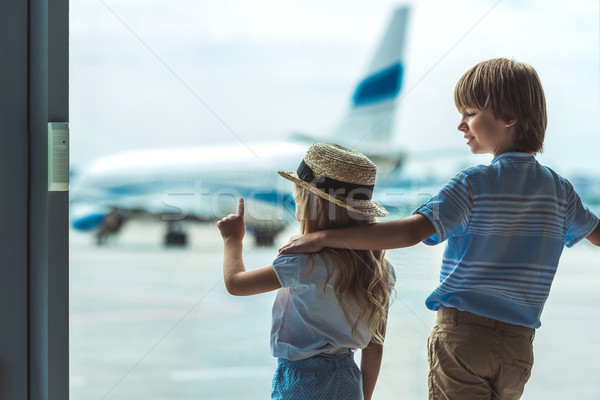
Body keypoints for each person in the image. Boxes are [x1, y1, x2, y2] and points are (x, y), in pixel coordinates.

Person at [278, 58, 600, 400]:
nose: (461, 125)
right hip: (519, 346)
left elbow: (408, 232)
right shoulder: (560, 190)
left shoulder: (475, 182)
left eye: (470, 113)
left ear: (509, 117)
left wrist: (325, 237)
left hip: (465, 337)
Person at [217, 143, 396, 400]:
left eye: (298, 200)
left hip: (301, 383)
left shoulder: (303, 262)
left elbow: (236, 284)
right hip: (348, 382)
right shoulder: (380, 271)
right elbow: (375, 347)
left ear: (315, 206)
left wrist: (232, 240)